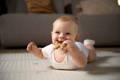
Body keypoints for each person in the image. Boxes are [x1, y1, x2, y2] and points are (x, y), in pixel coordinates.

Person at [26, 16, 96, 70]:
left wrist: (73, 50)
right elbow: (41, 54)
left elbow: (82, 64)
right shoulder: (50, 48)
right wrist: (34, 50)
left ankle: (88, 44)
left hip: (83, 53)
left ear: (76, 38)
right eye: (57, 32)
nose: (61, 36)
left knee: (91, 58)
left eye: (67, 33)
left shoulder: (76, 49)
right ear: (52, 35)